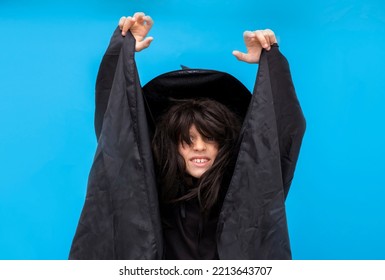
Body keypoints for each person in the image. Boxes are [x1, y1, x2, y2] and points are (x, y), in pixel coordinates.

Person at [69, 12, 305, 260]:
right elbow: (116, 128)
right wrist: (121, 52)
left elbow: (280, 134)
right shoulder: (147, 187)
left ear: (224, 142)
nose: (199, 148)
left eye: (210, 138)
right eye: (188, 140)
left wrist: (271, 62)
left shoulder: (247, 184)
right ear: (172, 144)